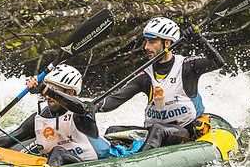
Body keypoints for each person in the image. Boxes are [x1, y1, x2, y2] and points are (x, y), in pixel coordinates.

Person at [97, 16, 226, 151]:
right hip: (153, 133)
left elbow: (217, 63)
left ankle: (139, 164)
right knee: (112, 131)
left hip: (185, 131)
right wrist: (93, 107)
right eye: (146, 41)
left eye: (152, 42)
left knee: (158, 130)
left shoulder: (187, 66)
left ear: (168, 43)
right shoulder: (145, 75)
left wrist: (199, 41)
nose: (146, 47)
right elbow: (117, 98)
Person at [0, 65, 112, 166]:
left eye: (55, 91)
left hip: (90, 165)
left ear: (70, 92)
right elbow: (7, 139)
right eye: (48, 90)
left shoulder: (82, 111)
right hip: (57, 166)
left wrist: (45, 88)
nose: (49, 96)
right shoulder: (39, 118)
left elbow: (81, 107)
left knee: (57, 151)